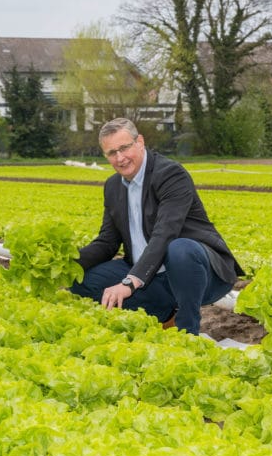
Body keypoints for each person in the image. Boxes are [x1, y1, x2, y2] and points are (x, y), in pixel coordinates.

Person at [70, 118, 243, 335]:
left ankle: (187, 331)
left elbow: (165, 233)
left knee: (179, 249)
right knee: (79, 280)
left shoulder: (170, 174)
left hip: (198, 274)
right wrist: (67, 264)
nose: (120, 158)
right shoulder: (113, 186)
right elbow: (107, 242)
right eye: (111, 153)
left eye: (124, 148)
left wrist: (130, 282)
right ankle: (163, 313)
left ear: (139, 142)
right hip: (152, 277)